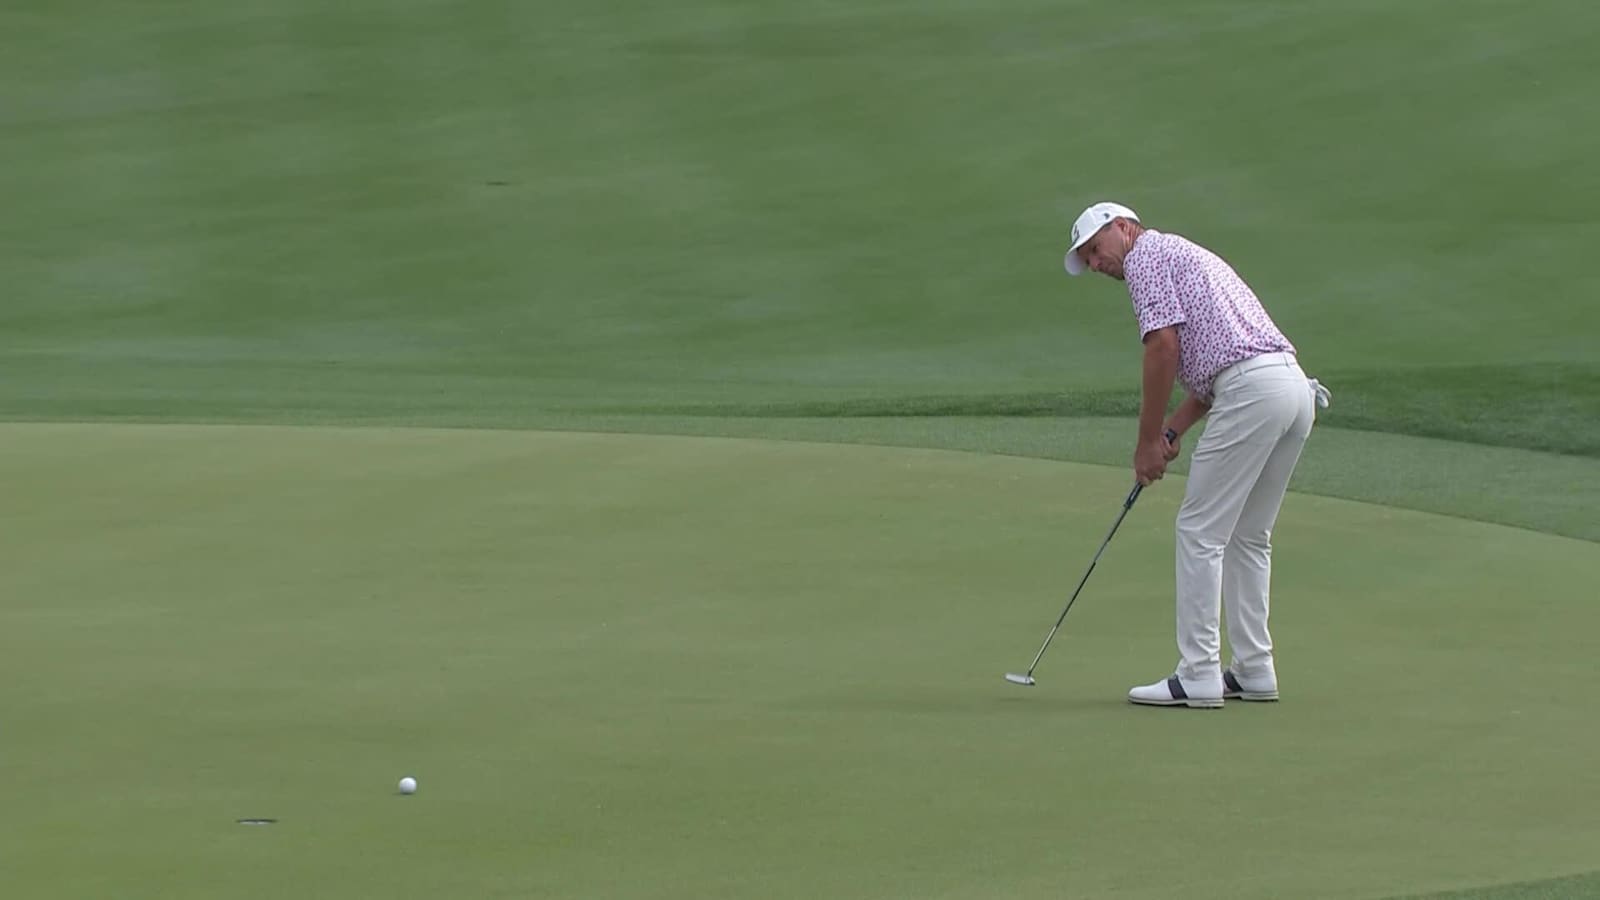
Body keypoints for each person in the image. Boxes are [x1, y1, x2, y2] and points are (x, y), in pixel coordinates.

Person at [1063, 202, 1330, 708]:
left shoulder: (1146, 257)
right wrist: (1173, 428)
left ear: (1122, 228)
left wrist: (1145, 443)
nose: (1096, 264)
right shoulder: (1180, 253)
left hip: (1253, 391)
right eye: (1088, 261)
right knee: (1249, 535)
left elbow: (1163, 348)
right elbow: (1213, 362)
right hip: (1291, 389)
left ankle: (1199, 673)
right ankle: (1254, 668)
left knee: (1199, 531)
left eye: (1095, 250)